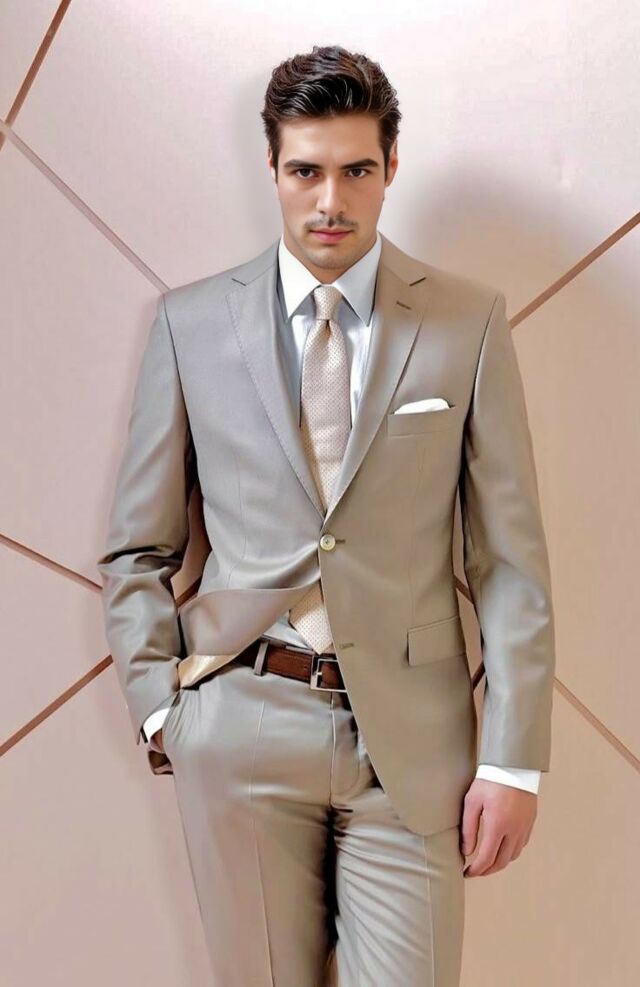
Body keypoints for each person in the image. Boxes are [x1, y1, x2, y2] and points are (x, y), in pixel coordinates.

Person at [97, 43, 555, 987]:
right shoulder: (190, 324)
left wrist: (514, 762)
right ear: (272, 169)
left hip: (414, 748)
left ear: (391, 169)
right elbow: (139, 547)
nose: (330, 201)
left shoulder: (468, 322)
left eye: (356, 171)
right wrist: (162, 713)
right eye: (305, 171)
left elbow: (509, 562)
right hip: (241, 725)